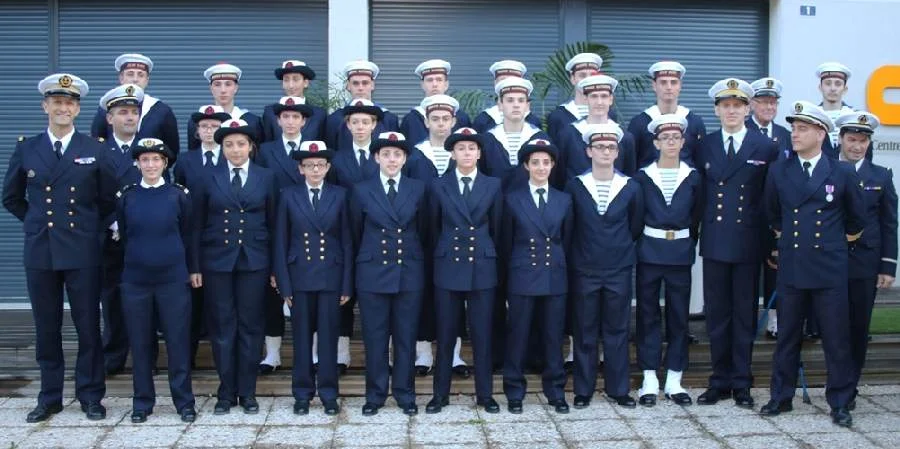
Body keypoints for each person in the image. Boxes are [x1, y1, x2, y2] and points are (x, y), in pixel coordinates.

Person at [2, 73, 113, 422]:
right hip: (42, 251)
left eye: (69, 103)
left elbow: (109, 200)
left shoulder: (94, 148)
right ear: (45, 106)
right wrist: (38, 224)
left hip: (83, 251)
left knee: (87, 327)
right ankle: (49, 396)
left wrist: (90, 231)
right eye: (57, 102)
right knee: (46, 327)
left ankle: (91, 396)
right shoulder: (27, 147)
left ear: (77, 109)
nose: (63, 108)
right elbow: (12, 197)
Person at [761, 101, 865, 428]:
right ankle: (781, 397)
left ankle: (840, 401)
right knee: (787, 336)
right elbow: (772, 213)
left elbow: (857, 219)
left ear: (821, 133)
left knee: (836, 339)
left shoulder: (841, 172)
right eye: (793, 128)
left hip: (829, 267)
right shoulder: (781, 169)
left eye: (803, 128)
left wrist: (833, 245)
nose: (794, 133)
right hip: (792, 264)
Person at [694, 78, 778, 409]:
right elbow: (699, 193)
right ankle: (719, 380)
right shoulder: (705, 145)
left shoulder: (765, 147)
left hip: (748, 241)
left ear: (748, 109)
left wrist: (773, 243)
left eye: (738, 105)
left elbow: (771, 200)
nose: (732, 111)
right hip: (715, 239)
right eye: (726, 106)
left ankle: (742, 381)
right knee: (717, 314)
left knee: (744, 314)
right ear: (717, 110)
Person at [190, 118, 276, 415]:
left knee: (251, 327)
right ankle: (226, 392)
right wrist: (195, 266)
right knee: (222, 327)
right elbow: (196, 225)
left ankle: (248, 392)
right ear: (221, 147)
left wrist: (276, 268)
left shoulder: (267, 177)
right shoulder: (207, 177)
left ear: (251, 147)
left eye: (241, 144)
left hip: (255, 261)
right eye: (229, 144)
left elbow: (275, 225)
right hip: (217, 261)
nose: (235, 150)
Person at [116, 138, 196, 423]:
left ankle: (184, 402)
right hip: (136, 280)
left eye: (156, 160)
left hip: (172, 280)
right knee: (140, 343)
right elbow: (125, 236)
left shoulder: (178, 195)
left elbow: (188, 236)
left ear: (165, 163)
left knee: (177, 342)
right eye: (145, 160)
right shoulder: (127, 196)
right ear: (138, 163)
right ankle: (142, 403)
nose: (150, 165)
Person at [349, 132, 428, 416]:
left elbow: (425, 230)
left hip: (409, 271)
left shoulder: (418, 188)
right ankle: (376, 394)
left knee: (406, 337)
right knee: (375, 338)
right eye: (386, 154)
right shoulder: (361, 189)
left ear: (405, 158)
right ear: (376, 158)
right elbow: (355, 233)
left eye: (397, 154)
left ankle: (405, 394)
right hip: (373, 272)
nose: (392, 159)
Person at [425, 128, 503, 414]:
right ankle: (440, 395)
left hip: (482, 266)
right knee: (445, 335)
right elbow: (431, 228)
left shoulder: (493, 185)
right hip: (448, 266)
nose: (467, 153)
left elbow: (498, 228)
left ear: (479, 153)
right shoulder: (438, 185)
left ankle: (485, 395)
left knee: (482, 335)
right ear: (453, 153)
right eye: (461, 148)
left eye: (472, 148)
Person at [566, 123, 643, 409]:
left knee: (617, 331)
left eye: (611, 147)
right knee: (584, 331)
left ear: (617, 151)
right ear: (588, 150)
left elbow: (634, 226)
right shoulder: (575, 185)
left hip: (618, 269)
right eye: (599, 147)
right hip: (585, 269)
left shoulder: (631, 186)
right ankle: (584, 390)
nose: (605, 151)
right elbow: (570, 228)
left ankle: (618, 388)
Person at [272, 140, 350, 416]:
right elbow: (280, 241)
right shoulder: (288, 195)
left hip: (331, 275)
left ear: (328, 167)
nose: (315, 169)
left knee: (328, 338)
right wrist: (284, 282)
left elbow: (347, 242)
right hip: (300, 276)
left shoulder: (340, 195)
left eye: (320, 165)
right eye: (309, 165)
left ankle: (329, 393)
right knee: (302, 339)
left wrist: (346, 283)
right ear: (300, 169)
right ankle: (302, 394)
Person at [633, 114, 702, 407]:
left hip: (680, 252)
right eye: (665, 138)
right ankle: (649, 376)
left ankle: (674, 378)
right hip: (649, 250)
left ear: (683, 142)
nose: (671, 142)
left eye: (676, 137)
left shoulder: (694, 176)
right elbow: (635, 217)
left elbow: (697, 213)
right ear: (656, 142)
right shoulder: (642, 176)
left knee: (677, 316)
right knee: (647, 314)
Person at [500, 138, 573, 414]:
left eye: (546, 162)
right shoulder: (512, 199)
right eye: (535, 163)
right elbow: (506, 242)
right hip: (522, 275)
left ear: (553, 165)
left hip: (554, 275)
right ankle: (514, 390)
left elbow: (567, 239)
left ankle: (555, 390)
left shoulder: (564, 199)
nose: (541, 167)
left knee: (553, 336)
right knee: (518, 334)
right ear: (525, 166)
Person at [834, 111, 897, 408]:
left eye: (862, 141)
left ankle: (850, 387)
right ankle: (836, 381)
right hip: (829, 261)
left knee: (858, 328)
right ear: (841, 139)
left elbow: (889, 222)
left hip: (865, 263)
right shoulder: (827, 170)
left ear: (868, 142)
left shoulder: (880, 175)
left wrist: (888, 264)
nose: (857, 146)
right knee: (832, 326)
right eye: (851, 140)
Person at [256, 96, 314, 375]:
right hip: (275, 224)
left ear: (304, 121)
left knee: (310, 289)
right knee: (273, 290)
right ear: (278, 121)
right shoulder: (266, 151)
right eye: (285, 117)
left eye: (296, 117)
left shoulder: (316, 152)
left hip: (309, 228)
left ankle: (313, 352)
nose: (290, 122)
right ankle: (273, 352)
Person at [327, 98, 383, 371]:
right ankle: (341, 354)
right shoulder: (336, 159)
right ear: (347, 125)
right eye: (355, 122)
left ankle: (388, 353)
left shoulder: (387, 155)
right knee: (344, 296)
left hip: (377, 234)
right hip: (345, 232)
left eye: (366, 122)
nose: (360, 127)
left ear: (374, 125)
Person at [96, 83, 148, 376]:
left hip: (141, 240)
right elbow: (89, 197)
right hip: (107, 241)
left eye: (134, 112)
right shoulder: (97, 150)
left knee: (145, 302)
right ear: (109, 118)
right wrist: (110, 222)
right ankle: (113, 358)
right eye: (123, 112)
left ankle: (147, 359)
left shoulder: (150, 151)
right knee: (111, 301)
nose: (129, 117)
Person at [174, 105, 231, 366]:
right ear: (196, 132)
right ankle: (188, 359)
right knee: (192, 304)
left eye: (215, 127)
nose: (209, 131)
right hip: (194, 234)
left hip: (225, 236)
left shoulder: (231, 157)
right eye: (204, 126)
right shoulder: (186, 161)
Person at [746, 77, 791, 339]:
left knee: (776, 267)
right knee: (749, 269)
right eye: (763, 101)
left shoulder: (785, 135)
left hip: (777, 213)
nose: (769, 107)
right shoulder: (743, 130)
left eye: (773, 102)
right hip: (750, 213)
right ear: (752, 104)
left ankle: (775, 319)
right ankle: (748, 318)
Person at [91, 53, 180, 162]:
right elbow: (97, 143)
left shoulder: (162, 110)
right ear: (121, 78)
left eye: (141, 75)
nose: (135, 79)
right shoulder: (106, 109)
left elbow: (172, 151)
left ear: (147, 80)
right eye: (130, 74)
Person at [628, 61, 706, 168]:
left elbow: (701, 163)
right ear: (654, 86)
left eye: (673, 82)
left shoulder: (694, 122)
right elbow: (631, 164)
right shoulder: (639, 123)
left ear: (680, 86)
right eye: (663, 82)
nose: (669, 87)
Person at [559, 74, 637, 181]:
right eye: (594, 96)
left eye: (604, 96)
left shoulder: (625, 138)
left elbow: (629, 177)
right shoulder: (568, 135)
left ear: (611, 99)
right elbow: (559, 176)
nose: (599, 102)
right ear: (586, 99)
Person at [481, 76, 550, 192]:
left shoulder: (541, 138)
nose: (516, 105)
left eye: (521, 100)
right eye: (510, 100)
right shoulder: (487, 140)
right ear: (500, 105)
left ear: (527, 106)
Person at [186, 63, 263, 151]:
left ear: (236, 88)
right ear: (211, 88)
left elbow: (257, 156)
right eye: (217, 84)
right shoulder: (197, 122)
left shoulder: (251, 121)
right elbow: (193, 155)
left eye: (228, 84)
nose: (223, 90)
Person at [325, 60, 399, 152]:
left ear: (372, 85)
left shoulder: (388, 119)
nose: (360, 88)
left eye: (365, 83)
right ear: (348, 86)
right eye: (355, 83)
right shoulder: (335, 119)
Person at [399, 59, 472, 145]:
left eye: (439, 80)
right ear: (422, 85)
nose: (434, 84)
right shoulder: (411, 120)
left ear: (446, 84)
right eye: (430, 80)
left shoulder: (461, 118)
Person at [545, 52, 605, 145]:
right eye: (582, 75)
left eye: (592, 75)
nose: (587, 80)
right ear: (572, 79)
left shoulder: (608, 114)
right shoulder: (558, 116)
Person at [262, 60, 327, 143]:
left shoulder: (319, 115)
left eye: (296, 79)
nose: (291, 85)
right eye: (286, 80)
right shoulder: (270, 113)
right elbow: (266, 146)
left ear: (306, 83)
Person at [472, 60, 543, 133]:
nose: (508, 83)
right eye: (503, 80)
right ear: (495, 83)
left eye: (513, 80)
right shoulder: (483, 119)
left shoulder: (532, 121)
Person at [815, 62, 854, 159]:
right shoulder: (812, 118)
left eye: (838, 84)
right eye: (828, 83)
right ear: (820, 87)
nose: (832, 88)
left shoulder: (854, 118)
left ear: (845, 89)